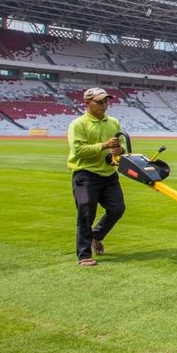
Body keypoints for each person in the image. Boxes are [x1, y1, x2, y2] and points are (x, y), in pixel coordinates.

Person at [67, 87, 126, 267]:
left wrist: (119, 149)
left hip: (109, 174)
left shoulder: (113, 122)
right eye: (99, 102)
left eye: (105, 101)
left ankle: (96, 236)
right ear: (87, 103)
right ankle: (84, 255)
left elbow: (122, 143)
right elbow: (79, 151)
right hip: (85, 175)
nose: (103, 105)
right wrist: (104, 145)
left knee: (117, 209)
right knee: (86, 214)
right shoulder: (78, 124)